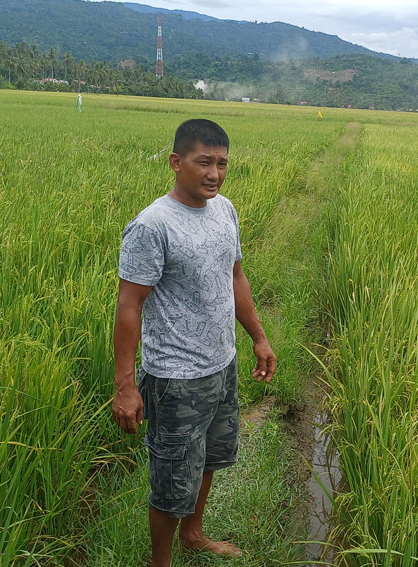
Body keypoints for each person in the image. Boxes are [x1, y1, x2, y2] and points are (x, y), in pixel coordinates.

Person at [112, 118, 276, 567]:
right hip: (175, 378)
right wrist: (125, 386)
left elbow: (235, 275)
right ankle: (159, 561)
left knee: (209, 458)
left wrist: (258, 338)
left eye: (222, 164)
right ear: (176, 162)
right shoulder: (152, 226)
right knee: (171, 478)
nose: (214, 173)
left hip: (221, 364)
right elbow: (129, 307)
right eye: (204, 162)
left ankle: (194, 535)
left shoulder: (224, 210)